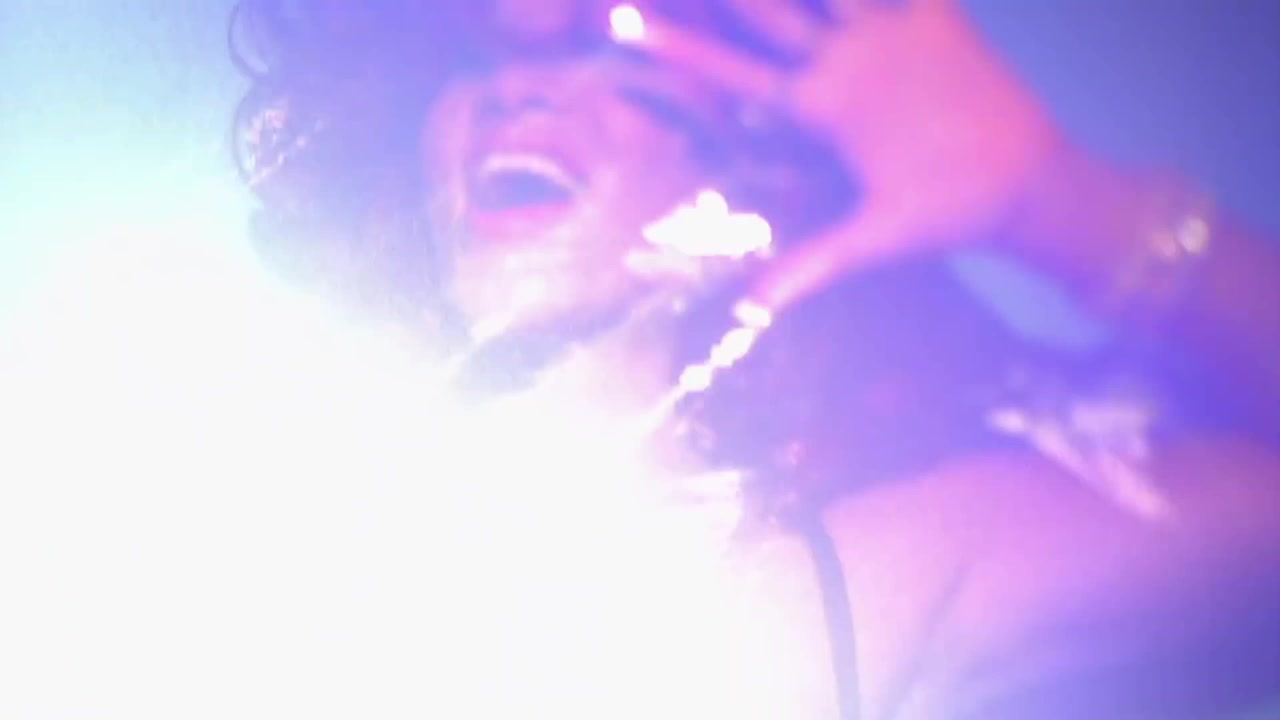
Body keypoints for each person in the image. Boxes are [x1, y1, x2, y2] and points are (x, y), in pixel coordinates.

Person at [231, 0, 1280, 717]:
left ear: (743, 158)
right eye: (475, 58)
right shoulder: (267, 538)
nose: (520, 96)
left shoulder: (871, 582)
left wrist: (1052, 202)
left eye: (606, 53)